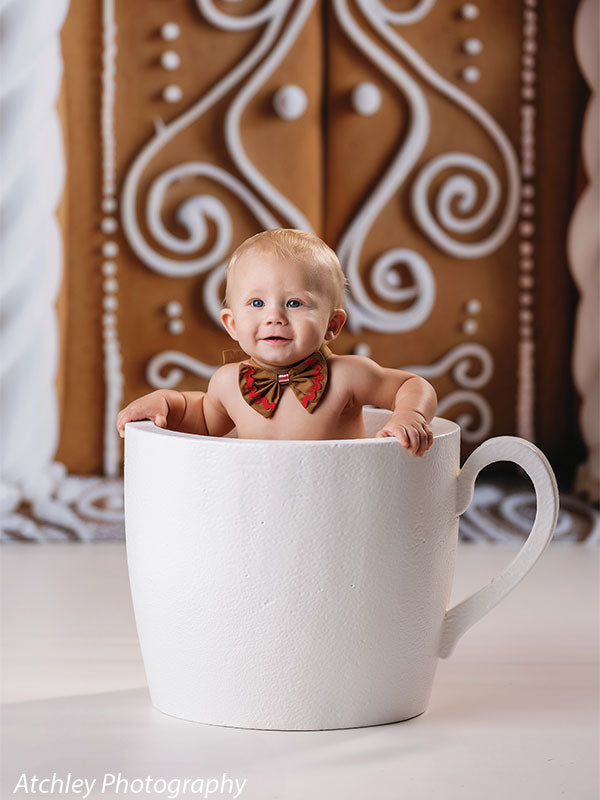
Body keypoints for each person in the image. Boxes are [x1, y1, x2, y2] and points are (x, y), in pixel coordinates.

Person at [116, 229, 437, 456]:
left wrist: (409, 415)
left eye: (295, 303)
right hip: (263, 508)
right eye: (257, 304)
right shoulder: (228, 383)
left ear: (332, 325)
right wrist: (167, 404)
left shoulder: (349, 375)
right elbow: (201, 419)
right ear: (232, 324)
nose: (275, 317)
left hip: (340, 503)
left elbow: (411, 384)